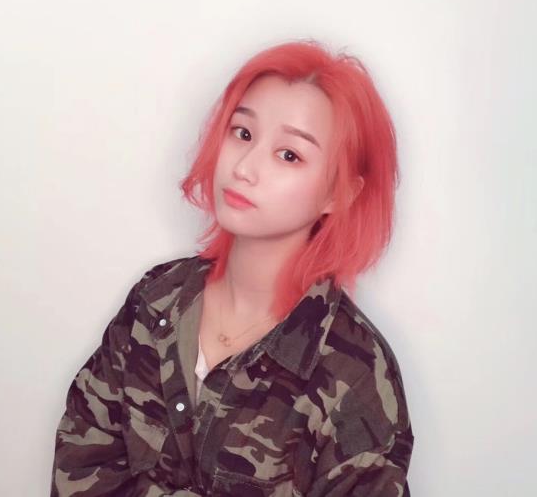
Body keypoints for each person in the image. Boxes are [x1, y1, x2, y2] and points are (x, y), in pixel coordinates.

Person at [50, 39, 414, 496]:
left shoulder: (354, 373)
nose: (244, 167)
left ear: (338, 193)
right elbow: (80, 460)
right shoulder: (156, 300)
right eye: (242, 133)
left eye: (289, 155)